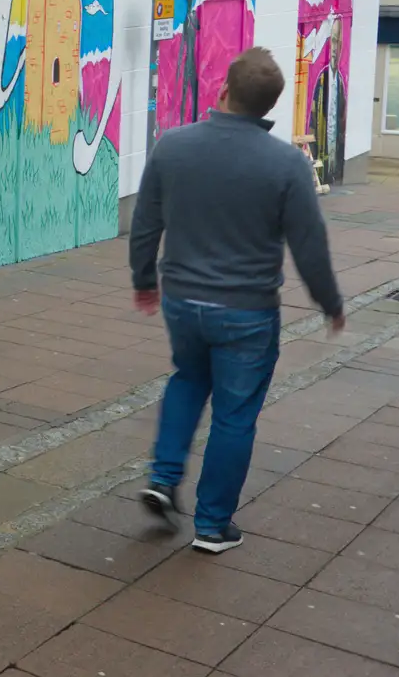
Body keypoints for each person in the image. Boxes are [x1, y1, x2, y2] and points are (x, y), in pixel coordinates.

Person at [130, 47, 344, 554]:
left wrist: (144, 279)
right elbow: (308, 245)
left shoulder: (173, 145)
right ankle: (212, 525)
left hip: (183, 302)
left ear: (223, 90)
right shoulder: (287, 163)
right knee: (235, 414)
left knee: (187, 379)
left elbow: (145, 223)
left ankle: (162, 479)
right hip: (248, 311)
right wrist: (329, 302)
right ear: (268, 106)